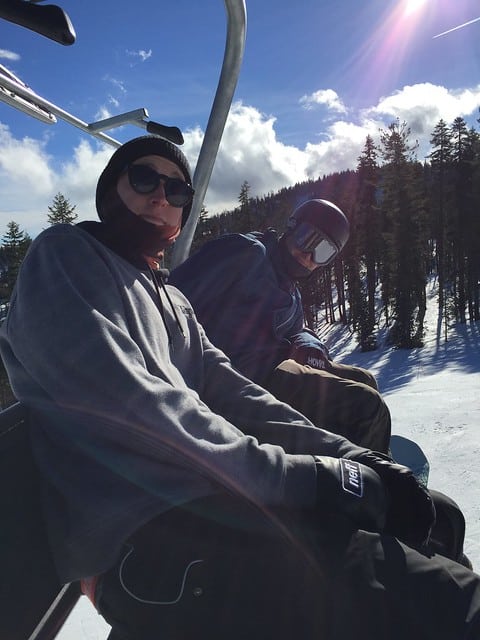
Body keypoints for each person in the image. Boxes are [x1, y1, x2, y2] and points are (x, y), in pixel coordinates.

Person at [1, 135, 479, 640]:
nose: (162, 196)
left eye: (178, 190)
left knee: (438, 524)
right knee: (452, 605)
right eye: (144, 178)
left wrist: (355, 461)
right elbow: (133, 406)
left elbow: (234, 392)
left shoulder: (170, 301)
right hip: (149, 539)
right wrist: (309, 478)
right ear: (109, 188)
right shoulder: (66, 257)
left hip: (218, 501)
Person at [169, 199, 391, 453]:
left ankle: (348, 452)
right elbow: (173, 296)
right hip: (234, 378)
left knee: (365, 379)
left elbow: (297, 329)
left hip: (271, 369)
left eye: (323, 252)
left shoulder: (290, 289)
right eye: (308, 240)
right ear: (292, 228)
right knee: (367, 406)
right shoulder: (246, 252)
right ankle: (370, 483)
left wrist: (308, 344)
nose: (309, 256)